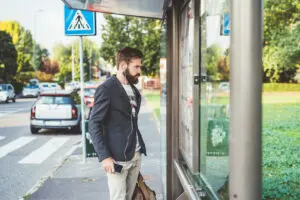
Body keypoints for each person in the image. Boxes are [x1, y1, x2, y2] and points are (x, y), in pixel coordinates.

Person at [89, 47, 147, 200]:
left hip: (135, 154)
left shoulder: (134, 90)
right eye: (136, 66)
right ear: (122, 66)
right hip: (117, 158)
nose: (139, 71)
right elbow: (93, 123)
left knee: (130, 197)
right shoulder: (107, 89)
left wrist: (138, 151)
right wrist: (104, 156)